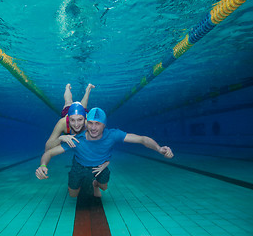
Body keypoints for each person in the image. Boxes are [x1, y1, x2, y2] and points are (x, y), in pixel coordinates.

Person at [36, 107, 174, 198]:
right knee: (72, 195)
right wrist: (43, 166)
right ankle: (79, 182)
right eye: (90, 123)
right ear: (86, 123)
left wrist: (159, 148)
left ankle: (95, 183)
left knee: (104, 187)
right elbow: (49, 153)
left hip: (101, 166)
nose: (93, 128)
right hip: (79, 165)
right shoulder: (77, 140)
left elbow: (142, 139)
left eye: (98, 123)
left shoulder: (113, 135)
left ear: (104, 125)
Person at [44, 83, 95, 151]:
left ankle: (88, 89)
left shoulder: (89, 124)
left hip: (83, 114)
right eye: (72, 120)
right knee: (68, 102)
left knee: (83, 106)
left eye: (80, 120)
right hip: (70, 113)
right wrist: (60, 139)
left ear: (84, 119)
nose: (76, 125)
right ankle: (67, 88)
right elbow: (47, 148)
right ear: (68, 119)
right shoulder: (63, 123)